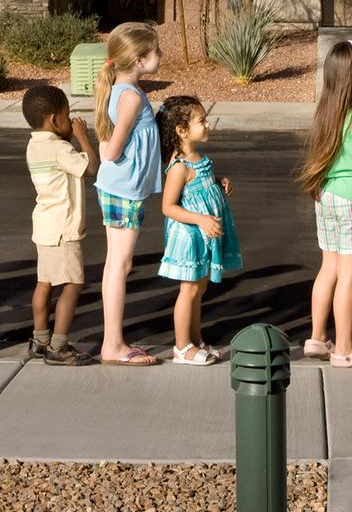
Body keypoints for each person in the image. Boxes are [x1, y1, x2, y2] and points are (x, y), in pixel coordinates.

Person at [296, 40, 352, 369]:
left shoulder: (327, 111)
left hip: (327, 195)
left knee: (329, 268)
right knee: (350, 274)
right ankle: (345, 348)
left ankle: (318, 338)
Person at [94, 22, 163, 367]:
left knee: (115, 264)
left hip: (116, 188)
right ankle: (114, 345)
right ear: (138, 59)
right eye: (156, 51)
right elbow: (111, 150)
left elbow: (106, 139)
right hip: (124, 190)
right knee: (120, 265)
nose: (160, 56)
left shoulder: (121, 90)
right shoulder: (132, 97)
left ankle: (113, 341)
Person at [157, 96, 240, 366]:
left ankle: (195, 340)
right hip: (189, 237)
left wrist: (218, 181)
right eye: (201, 121)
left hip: (202, 236)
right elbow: (168, 207)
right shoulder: (179, 166)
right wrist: (200, 220)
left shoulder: (199, 159)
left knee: (199, 287)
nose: (207, 125)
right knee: (189, 289)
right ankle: (181, 347)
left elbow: (201, 183)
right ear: (182, 130)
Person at [21, 82, 96, 366]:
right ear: (54, 119)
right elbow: (91, 167)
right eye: (67, 115)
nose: (71, 120)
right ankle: (59, 345)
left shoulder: (33, 146)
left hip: (44, 226)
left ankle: (40, 339)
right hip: (65, 228)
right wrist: (83, 137)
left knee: (45, 283)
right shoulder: (60, 148)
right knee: (73, 285)